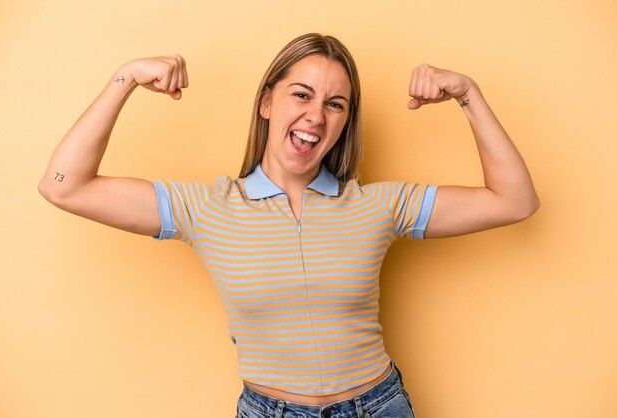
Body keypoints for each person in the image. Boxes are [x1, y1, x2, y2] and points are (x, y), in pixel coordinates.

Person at [39, 33, 539, 418]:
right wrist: (124, 76)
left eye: (334, 104)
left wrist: (467, 94)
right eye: (301, 94)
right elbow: (64, 185)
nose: (315, 116)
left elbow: (514, 200)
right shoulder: (205, 207)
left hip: (379, 406)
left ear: (345, 122)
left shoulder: (380, 204)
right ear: (266, 103)